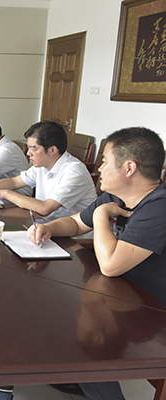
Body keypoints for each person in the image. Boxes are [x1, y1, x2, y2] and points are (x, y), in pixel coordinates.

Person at [27, 127, 166, 400]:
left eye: (104, 161)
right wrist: (50, 228)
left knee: (80, 348)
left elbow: (111, 265)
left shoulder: (158, 206)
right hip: (118, 294)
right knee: (53, 318)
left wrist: (101, 215)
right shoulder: (115, 195)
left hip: (151, 310)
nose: (99, 168)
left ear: (129, 168)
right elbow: (77, 223)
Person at [0, 120, 97, 220]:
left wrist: (4, 193)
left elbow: (45, 208)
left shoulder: (74, 172)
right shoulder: (42, 165)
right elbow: (15, 182)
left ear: (52, 150)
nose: (28, 153)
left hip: (71, 239)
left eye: (33, 148)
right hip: (44, 226)